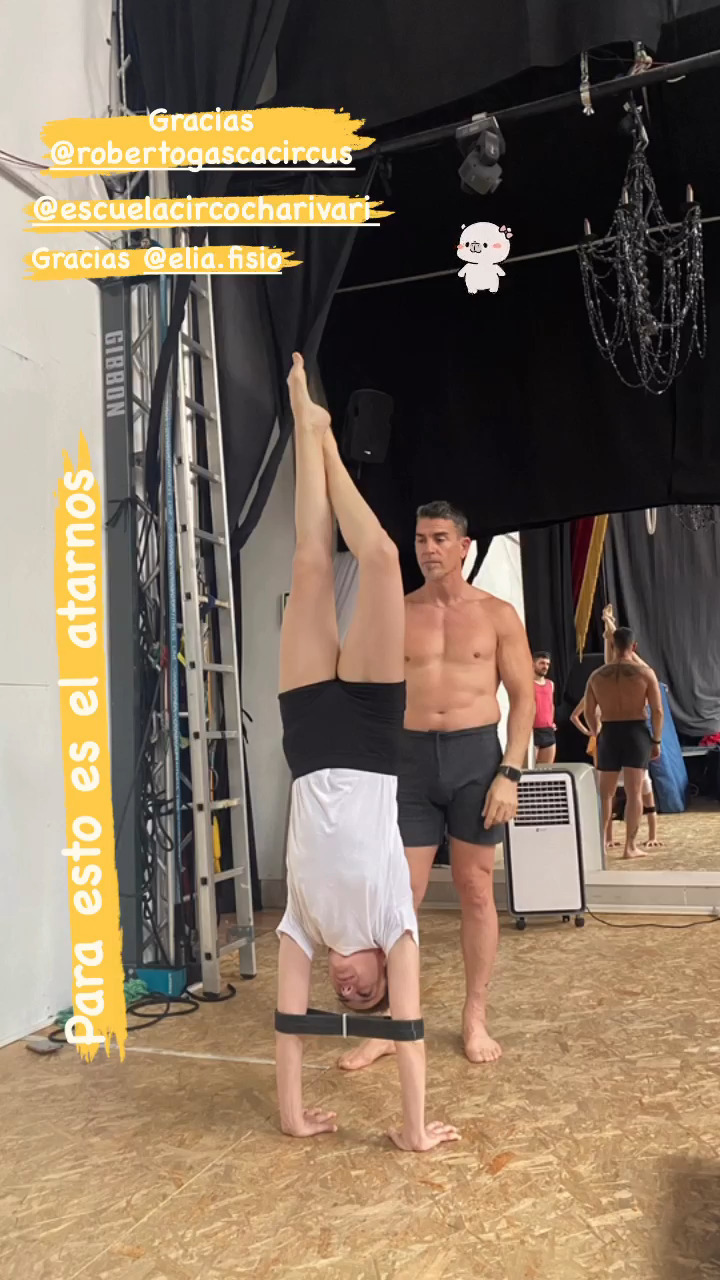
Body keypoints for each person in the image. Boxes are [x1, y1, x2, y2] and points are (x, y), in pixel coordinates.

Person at [275, 353, 459, 1153]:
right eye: (366, 994)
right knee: (382, 560)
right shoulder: (394, 919)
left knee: (310, 563)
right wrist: (413, 1130)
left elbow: (288, 1022)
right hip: (375, 741)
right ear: (385, 971)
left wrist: (292, 1115)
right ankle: (324, 438)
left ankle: (305, 426)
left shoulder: (303, 924)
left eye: (344, 994)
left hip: (310, 740)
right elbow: (410, 1029)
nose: (348, 989)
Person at [339, 499, 535, 1072]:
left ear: (464, 546)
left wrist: (510, 773)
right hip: (410, 761)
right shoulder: (398, 612)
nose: (429, 548)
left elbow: (523, 699)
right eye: (422, 539)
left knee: (476, 889)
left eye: (440, 538)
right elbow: (364, 691)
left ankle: (475, 1016)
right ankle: (394, 1022)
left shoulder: (498, 615)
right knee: (402, 895)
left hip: (477, 758)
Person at [583, 626, 664, 860]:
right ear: (634, 646)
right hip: (635, 732)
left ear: (612, 645)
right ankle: (630, 847)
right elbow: (657, 711)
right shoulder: (645, 673)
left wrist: (596, 731)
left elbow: (588, 711)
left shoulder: (596, 675)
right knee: (634, 792)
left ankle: (601, 845)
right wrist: (656, 740)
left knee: (605, 794)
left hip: (609, 732)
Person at [532, 651, 556, 764]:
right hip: (532, 731)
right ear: (533, 664)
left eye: (547, 664)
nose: (545, 666)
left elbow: (551, 704)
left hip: (548, 731)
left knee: (547, 769)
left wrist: (552, 722)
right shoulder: (527, 684)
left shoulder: (550, 684)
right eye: (542, 663)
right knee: (530, 769)